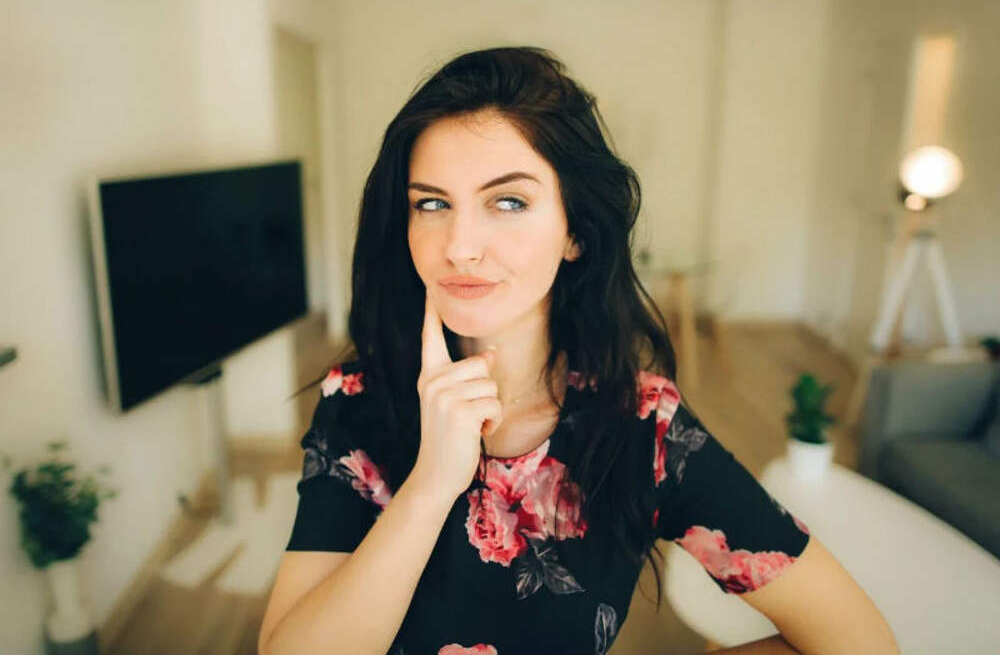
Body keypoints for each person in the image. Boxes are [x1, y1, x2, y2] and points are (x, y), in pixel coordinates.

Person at [258, 47, 899, 655]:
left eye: (508, 202)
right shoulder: (357, 400)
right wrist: (431, 484)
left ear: (576, 233)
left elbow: (859, 640)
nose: (459, 246)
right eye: (431, 203)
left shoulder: (642, 424)